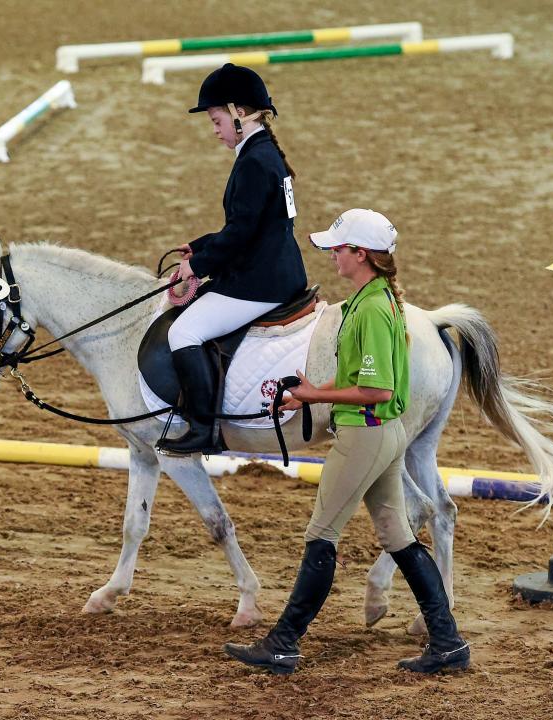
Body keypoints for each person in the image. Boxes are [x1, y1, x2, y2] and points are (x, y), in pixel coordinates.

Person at [223, 209, 470, 675]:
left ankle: (284, 642)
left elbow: (377, 389)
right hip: (381, 433)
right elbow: (360, 374)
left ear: (361, 254)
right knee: (398, 536)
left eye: (339, 248)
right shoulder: (370, 299)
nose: (332, 254)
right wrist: (308, 400)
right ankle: (448, 641)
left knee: (320, 535)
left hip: (364, 434)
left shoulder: (373, 308)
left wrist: (315, 393)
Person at [157, 63, 307, 456]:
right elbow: (251, 224)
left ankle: (203, 428)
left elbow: (242, 234)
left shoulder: (256, 161)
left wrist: (198, 266)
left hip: (261, 280)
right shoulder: (264, 153)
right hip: (275, 267)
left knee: (183, 333)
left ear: (240, 112)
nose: (215, 128)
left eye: (217, 118)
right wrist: (200, 245)